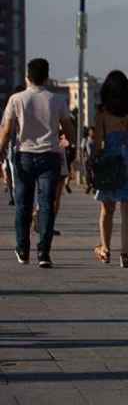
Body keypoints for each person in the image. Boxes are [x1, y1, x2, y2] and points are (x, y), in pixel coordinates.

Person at [0, 59, 74, 267]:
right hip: (50, 156)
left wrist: (0, 150)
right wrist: (71, 143)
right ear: (47, 77)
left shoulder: (17, 99)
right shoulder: (57, 99)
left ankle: (23, 249)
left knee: (23, 205)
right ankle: (44, 253)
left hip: (24, 156)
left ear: (27, 77)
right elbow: (68, 127)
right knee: (47, 206)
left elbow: (6, 130)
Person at [92, 70, 128, 268]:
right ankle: (124, 254)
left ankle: (105, 248)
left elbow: (97, 141)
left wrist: (94, 159)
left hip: (109, 158)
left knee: (107, 208)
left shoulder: (102, 112)